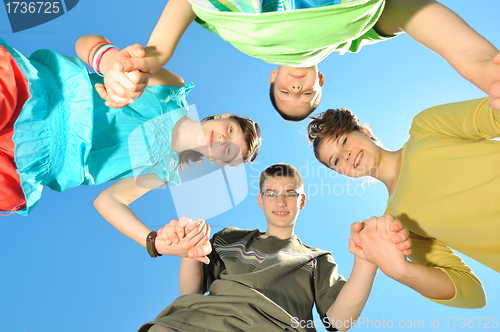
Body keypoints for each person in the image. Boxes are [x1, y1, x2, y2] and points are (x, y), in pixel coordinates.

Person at [0, 34, 262, 232]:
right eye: (230, 130)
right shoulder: (171, 89)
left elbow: (110, 201)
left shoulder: (162, 171)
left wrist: (153, 241)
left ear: (217, 161)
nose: (223, 139)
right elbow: (86, 44)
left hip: (28, 164)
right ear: (221, 116)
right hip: (34, 96)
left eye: (228, 150)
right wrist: (112, 60)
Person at [97, 0, 500, 122]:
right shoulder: (350, 35)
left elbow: (192, 4)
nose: (296, 87)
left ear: (273, 75)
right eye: (305, 94)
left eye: (285, 92)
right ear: (319, 80)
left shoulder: (245, 38)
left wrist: (151, 56)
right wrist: (488, 68)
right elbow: (413, 14)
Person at [136, 163, 412, 332]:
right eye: (272, 194)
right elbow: (191, 290)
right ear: (261, 200)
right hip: (193, 323)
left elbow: (338, 321)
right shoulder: (230, 238)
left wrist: (366, 263)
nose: (280, 202)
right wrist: (190, 252)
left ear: (301, 202)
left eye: (290, 194)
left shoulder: (316, 259)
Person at [307, 96, 500, 308]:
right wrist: (402, 271)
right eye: (335, 161)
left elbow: (494, 114)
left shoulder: (426, 126)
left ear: (365, 132)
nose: (346, 155)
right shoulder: (397, 225)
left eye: (344, 141)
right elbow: (472, 294)